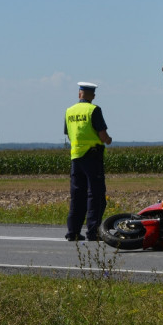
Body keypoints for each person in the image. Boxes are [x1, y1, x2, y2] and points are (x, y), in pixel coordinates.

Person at [64, 81, 112, 241]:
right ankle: (93, 232)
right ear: (92, 95)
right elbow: (102, 135)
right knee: (95, 195)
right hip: (92, 156)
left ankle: (73, 232)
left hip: (75, 157)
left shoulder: (69, 111)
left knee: (77, 195)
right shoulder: (94, 110)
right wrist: (108, 140)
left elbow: (69, 134)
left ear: (79, 94)